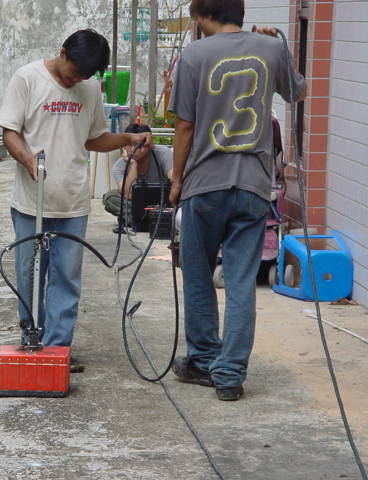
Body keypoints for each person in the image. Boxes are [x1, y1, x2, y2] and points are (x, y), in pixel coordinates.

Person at [168, 0, 306, 400]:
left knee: (198, 276)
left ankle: (204, 361)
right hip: (252, 187)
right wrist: (279, 45)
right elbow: (299, 91)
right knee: (242, 281)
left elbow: (185, 125)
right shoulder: (270, 48)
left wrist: (176, 178)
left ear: (206, 16)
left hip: (205, 185)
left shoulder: (193, 55)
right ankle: (229, 377)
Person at [0, 29, 152, 370]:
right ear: (62, 51)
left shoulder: (89, 88)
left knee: (66, 277)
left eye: (85, 76)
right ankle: (30, 341)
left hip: (72, 202)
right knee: (30, 274)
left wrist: (126, 137)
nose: (77, 80)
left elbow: (93, 139)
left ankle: (56, 350)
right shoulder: (27, 78)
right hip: (30, 201)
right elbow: (10, 131)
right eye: (74, 72)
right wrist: (28, 161)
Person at [103, 123, 173, 230]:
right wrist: (133, 164)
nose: (132, 149)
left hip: (162, 202)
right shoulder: (119, 165)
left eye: (137, 145)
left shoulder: (163, 153)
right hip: (137, 204)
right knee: (110, 198)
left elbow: (174, 180)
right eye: (128, 145)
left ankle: (137, 219)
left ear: (148, 145)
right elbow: (129, 194)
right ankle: (154, 220)